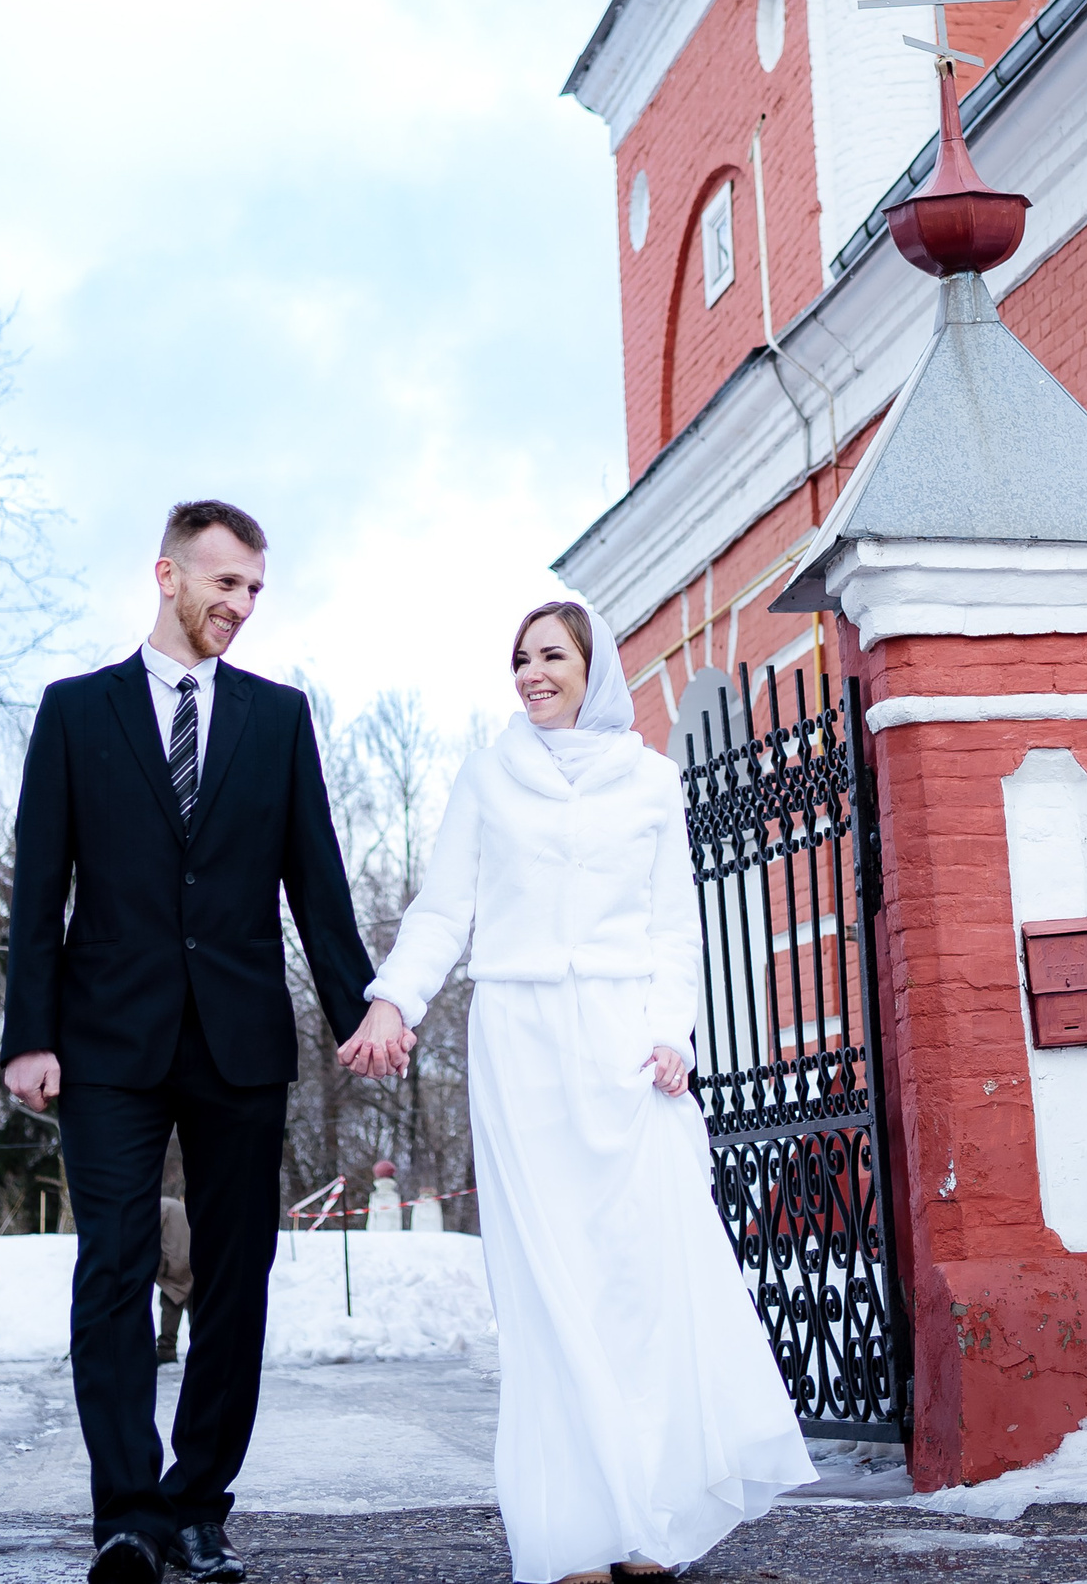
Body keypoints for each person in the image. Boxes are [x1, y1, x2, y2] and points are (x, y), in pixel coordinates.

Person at [337, 600, 815, 1584]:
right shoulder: (488, 774)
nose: (529, 674)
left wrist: (670, 1032)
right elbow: (443, 908)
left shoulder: (651, 783)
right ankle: (574, 1537)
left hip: (622, 1053)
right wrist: (394, 1001)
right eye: (518, 658)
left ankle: (646, 1527)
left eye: (550, 656)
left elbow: (674, 928)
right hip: (518, 1048)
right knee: (549, 1294)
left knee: (635, 1290)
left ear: (593, 667)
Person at [1, 500, 376, 1584]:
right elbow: (40, 889)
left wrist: (361, 1012)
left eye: (255, 589)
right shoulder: (75, 713)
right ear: (165, 574)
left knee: (235, 1275)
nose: (241, 606)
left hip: (239, 1041)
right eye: (225, 584)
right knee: (112, 1268)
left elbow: (319, 883)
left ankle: (200, 1504)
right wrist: (30, 1034)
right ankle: (126, 1513)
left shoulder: (278, 717)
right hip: (105, 1040)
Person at [156, 1194, 192, 1365]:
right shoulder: (170, 1205)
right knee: (196, 1305)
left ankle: (166, 1350)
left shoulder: (157, 1208)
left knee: (171, 1301)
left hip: (176, 1261)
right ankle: (203, 1349)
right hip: (193, 1257)